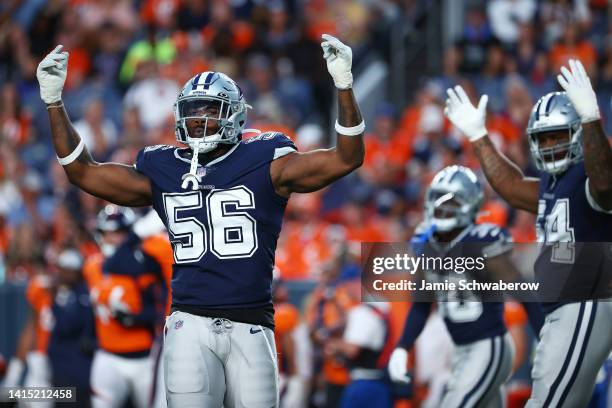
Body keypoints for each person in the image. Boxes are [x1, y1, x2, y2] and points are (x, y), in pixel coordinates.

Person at [36, 32, 364, 407]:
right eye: (192, 110)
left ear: (235, 114)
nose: (197, 120)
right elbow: (83, 172)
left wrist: (344, 85)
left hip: (252, 322)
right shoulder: (163, 167)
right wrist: (53, 101)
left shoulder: (266, 159)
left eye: (209, 109)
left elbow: (346, 158)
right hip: (188, 321)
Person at [444, 59, 612, 407]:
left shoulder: (589, 176)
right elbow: (511, 185)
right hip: (564, 306)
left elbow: (606, 185)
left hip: (586, 300)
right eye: (543, 138)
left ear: (577, 134)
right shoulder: (554, 183)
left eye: (558, 136)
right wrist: (479, 137)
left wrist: (592, 118)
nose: (550, 145)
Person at [388, 166, 516, 407]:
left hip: (488, 344)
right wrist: (402, 347)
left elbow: (522, 289)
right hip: (461, 350)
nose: (443, 207)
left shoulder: (482, 240)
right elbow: (420, 307)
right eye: (438, 199)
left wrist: (545, 335)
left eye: (453, 201)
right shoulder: (426, 245)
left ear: (470, 204)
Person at [84, 205, 169, 408]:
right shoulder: (92, 267)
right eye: (108, 233)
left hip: (145, 356)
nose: (113, 239)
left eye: (119, 233)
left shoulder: (145, 264)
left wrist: (136, 318)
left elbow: (160, 311)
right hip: (107, 356)